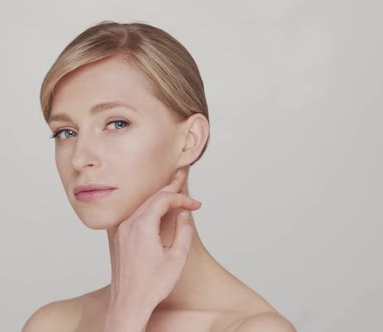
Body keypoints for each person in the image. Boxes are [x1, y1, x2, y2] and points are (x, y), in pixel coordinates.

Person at [22, 21, 296, 332]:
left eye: (117, 123)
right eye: (66, 132)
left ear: (190, 139)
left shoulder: (250, 328)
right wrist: (127, 312)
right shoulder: (53, 324)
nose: (80, 157)